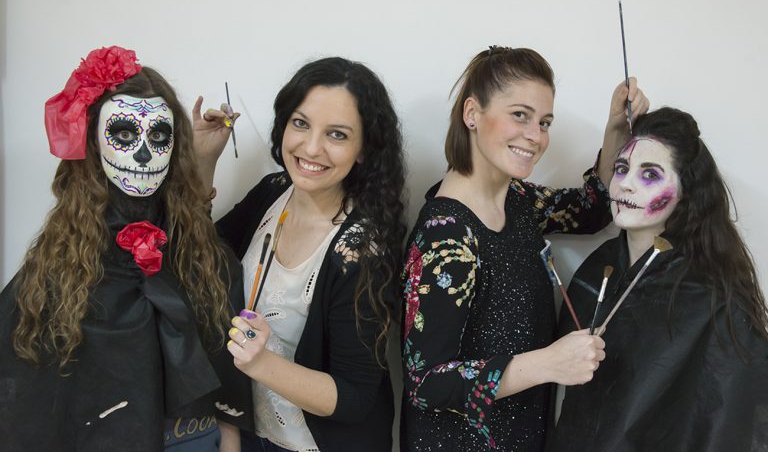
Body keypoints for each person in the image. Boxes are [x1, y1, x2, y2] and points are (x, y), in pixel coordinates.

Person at [0, 46, 251, 452]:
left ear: (175, 144)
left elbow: (229, 362)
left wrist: (231, 440)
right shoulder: (60, 263)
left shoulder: (200, 252)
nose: (144, 154)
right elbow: (27, 393)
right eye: (124, 134)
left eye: (159, 136)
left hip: (193, 439)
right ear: (94, 142)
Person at [400, 46, 649, 451]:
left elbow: (593, 210)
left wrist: (615, 130)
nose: (536, 136)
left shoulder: (517, 200)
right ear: (471, 114)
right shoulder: (446, 237)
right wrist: (548, 363)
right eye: (520, 115)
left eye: (544, 122)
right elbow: (427, 383)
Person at [194, 57, 406, 452]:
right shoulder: (273, 190)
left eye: (337, 134)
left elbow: (354, 398)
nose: (311, 147)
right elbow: (198, 258)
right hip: (249, 435)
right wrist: (204, 161)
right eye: (301, 123)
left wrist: (260, 363)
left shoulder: (361, 250)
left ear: (364, 149)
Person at [552, 107, 768, 451]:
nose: (626, 184)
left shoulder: (710, 295)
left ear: (685, 191)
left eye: (650, 174)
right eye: (621, 169)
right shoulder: (597, 270)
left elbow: (730, 421)